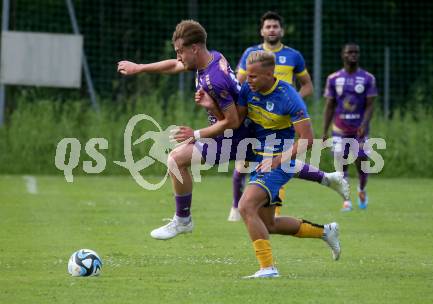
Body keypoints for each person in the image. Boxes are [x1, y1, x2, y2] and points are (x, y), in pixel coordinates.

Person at [118, 20, 250, 240]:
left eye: (180, 51)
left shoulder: (214, 80)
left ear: (194, 48)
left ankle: (183, 221)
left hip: (235, 138)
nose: (178, 56)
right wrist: (140, 68)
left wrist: (195, 134)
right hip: (229, 133)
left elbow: (233, 121)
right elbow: (174, 66)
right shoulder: (212, 58)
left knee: (176, 159)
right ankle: (327, 180)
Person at [227, 11, 348, 221]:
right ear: (262, 30)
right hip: (255, 115)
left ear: (281, 30)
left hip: (279, 121)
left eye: (275, 26)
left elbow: (307, 86)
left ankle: (258, 208)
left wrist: (289, 106)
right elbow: (239, 86)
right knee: (250, 162)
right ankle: (237, 207)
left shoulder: (293, 56)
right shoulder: (250, 54)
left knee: (275, 162)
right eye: (268, 26)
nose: (272, 30)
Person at [235, 50, 340, 278]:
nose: (248, 80)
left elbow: (308, 140)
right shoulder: (247, 89)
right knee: (269, 224)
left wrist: (276, 160)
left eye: (253, 76)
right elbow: (236, 122)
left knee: (245, 207)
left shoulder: (288, 96)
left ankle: (267, 268)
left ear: (270, 73)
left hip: (279, 162)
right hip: (257, 160)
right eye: (248, 75)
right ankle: (326, 231)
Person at [323, 43, 377, 211]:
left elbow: (370, 105)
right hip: (339, 128)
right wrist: (324, 131)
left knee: (361, 163)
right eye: (349, 52)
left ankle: (361, 189)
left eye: (356, 52)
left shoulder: (368, 78)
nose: (353, 55)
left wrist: (364, 124)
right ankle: (346, 200)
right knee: (341, 163)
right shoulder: (333, 79)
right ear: (343, 55)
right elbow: (330, 105)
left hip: (359, 129)